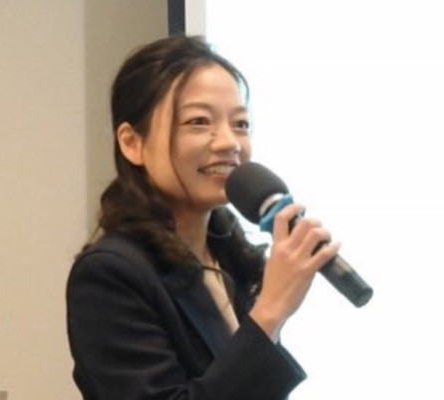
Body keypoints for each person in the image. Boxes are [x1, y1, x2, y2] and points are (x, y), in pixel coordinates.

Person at [66, 35, 340, 400]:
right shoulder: (110, 274)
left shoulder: (230, 260)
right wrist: (271, 310)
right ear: (132, 143)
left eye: (241, 124)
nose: (230, 142)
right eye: (198, 121)